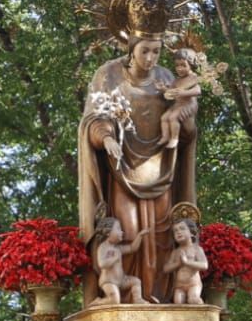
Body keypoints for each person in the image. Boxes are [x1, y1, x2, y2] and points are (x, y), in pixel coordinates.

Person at [77, 18, 198, 305]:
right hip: (122, 172)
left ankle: (161, 298)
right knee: (127, 232)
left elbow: (188, 129)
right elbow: (94, 118)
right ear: (132, 48)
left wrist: (187, 114)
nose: (151, 58)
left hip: (163, 170)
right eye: (145, 50)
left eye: (156, 51)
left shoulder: (169, 77)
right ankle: (126, 301)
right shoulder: (107, 74)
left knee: (164, 236)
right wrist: (105, 137)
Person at [91, 217, 147, 304]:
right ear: (108, 232)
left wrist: (140, 236)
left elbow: (132, 248)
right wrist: (114, 258)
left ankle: (138, 300)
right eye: (118, 229)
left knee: (136, 281)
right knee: (115, 301)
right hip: (109, 281)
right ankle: (98, 302)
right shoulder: (103, 247)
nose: (122, 232)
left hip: (122, 280)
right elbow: (102, 264)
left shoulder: (118, 248)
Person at [160, 218, 208, 305]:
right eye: (175, 231)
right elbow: (166, 269)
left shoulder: (196, 249)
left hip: (193, 284)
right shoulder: (176, 252)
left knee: (193, 300)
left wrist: (186, 262)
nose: (178, 232)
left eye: (182, 228)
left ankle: (202, 315)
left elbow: (204, 265)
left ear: (191, 232)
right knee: (178, 303)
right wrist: (178, 264)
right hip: (179, 286)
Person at [159, 50, 200, 149]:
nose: (180, 69)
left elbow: (197, 91)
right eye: (177, 66)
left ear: (191, 65)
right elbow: (171, 92)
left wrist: (184, 93)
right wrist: (163, 89)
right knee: (164, 118)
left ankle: (174, 138)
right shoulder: (177, 80)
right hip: (178, 104)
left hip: (188, 103)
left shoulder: (193, 78)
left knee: (173, 117)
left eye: (183, 65)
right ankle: (165, 136)